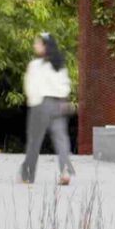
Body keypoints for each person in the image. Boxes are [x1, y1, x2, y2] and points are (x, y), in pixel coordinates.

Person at [20, 31, 75, 186]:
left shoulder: (35, 65)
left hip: (40, 105)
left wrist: (33, 103)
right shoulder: (59, 64)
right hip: (59, 104)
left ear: (45, 46)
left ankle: (28, 175)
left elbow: (30, 87)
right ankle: (64, 171)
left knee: (34, 141)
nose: (35, 45)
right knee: (61, 139)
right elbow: (65, 85)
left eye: (38, 43)